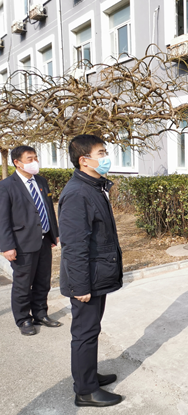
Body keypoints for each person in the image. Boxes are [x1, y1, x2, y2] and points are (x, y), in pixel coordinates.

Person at [58, 135, 123, 407]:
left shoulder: (93, 186)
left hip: (97, 274)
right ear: (84, 160)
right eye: (101, 153)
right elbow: (74, 246)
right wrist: (80, 286)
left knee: (91, 330)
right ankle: (85, 391)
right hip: (87, 279)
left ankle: (89, 375)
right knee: (84, 333)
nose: (106, 157)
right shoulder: (78, 193)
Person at [0, 146, 60, 336]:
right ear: (17, 162)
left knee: (43, 280)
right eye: (29, 159)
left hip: (43, 240)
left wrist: (54, 233)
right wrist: (7, 246)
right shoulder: (6, 186)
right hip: (22, 243)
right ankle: (23, 319)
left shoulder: (41, 181)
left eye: (36, 158)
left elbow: (48, 209)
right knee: (23, 284)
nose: (34, 162)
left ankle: (40, 314)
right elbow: (3, 218)